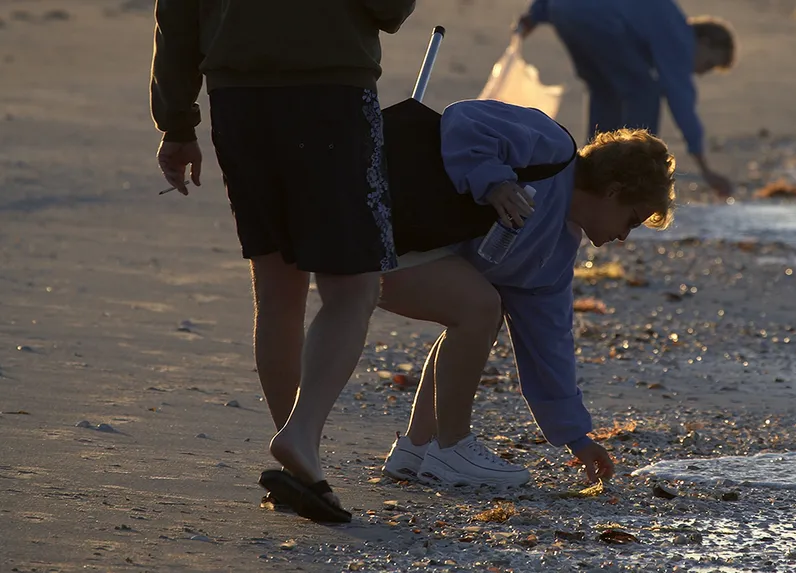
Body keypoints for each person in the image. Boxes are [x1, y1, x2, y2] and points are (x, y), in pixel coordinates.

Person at [150, 0, 416, 523]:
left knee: (277, 289)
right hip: (329, 92)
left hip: (237, 97)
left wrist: (177, 122)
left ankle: (304, 470)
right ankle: (300, 435)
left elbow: (176, 18)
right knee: (354, 288)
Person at [375, 98, 677, 487]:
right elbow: (466, 118)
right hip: (376, 222)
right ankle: (452, 448)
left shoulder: (554, 256)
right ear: (613, 190)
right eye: (631, 219)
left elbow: (548, 342)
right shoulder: (552, 147)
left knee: (482, 310)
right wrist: (493, 181)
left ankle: (417, 449)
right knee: (479, 307)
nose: (623, 235)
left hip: (405, 256)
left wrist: (576, 438)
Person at [517, 0, 737, 197]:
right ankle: (637, 174)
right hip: (594, 17)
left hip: (563, 9)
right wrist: (705, 168)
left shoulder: (666, 19)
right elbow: (680, 100)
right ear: (705, 42)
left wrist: (537, 13)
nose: (699, 73)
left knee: (605, 91)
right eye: (708, 65)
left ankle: (591, 171)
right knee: (645, 93)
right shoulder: (679, 35)